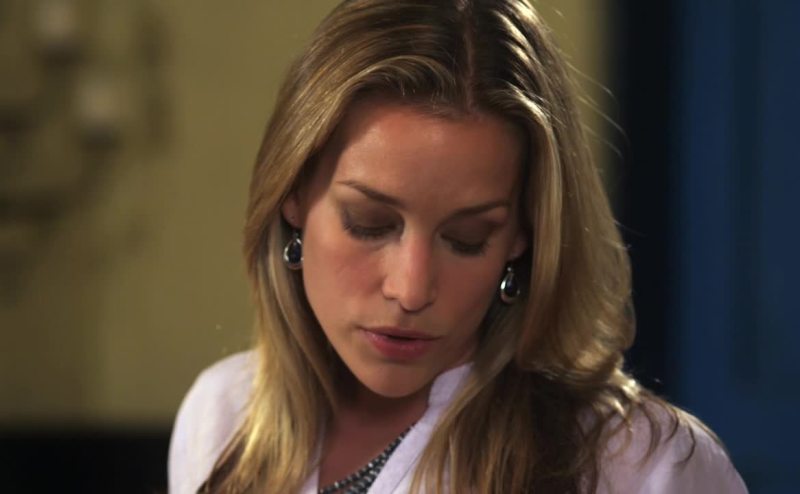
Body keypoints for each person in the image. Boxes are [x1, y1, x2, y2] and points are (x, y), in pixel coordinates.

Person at [168, 1, 748, 492]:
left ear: (522, 237)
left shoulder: (638, 465)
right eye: (369, 223)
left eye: (467, 239)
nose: (411, 288)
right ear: (292, 197)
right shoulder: (223, 416)